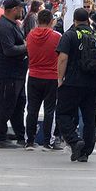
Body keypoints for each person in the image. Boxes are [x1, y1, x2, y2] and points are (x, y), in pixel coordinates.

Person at [56, 7, 96, 163]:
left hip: (72, 83)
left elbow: (63, 58)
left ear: (74, 20)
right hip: (93, 85)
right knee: (89, 119)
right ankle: (85, 152)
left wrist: (60, 79)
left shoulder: (70, 35)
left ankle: (75, 141)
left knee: (62, 114)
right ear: (88, 20)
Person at [0, 0, 29, 149]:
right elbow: (9, 50)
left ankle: (20, 136)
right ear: (14, 10)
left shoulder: (11, 24)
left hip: (17, 73)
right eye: (20, 9)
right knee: (6, 105)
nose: (22, 12)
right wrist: (27, 46)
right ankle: (1, 138)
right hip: (8, 73)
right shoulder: (4, 26)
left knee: (18, 105)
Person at [25, 9, 62, 150]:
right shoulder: (57, 36)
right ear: (52, 21)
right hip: (51, 77)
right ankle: (48, 142)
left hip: (33, 75)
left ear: (37, 21)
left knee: (32, 110)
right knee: (49, 110)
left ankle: (29, 141)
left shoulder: (30, 35)